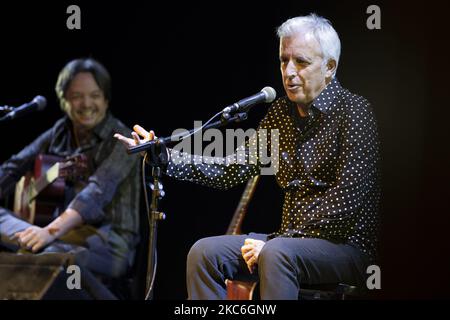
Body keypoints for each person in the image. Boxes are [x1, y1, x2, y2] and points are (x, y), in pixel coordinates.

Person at [115, 13, 380, 300]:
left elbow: (345, 205)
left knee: (277, 254)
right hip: (286, 244)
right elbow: (232, 168)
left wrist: (278, 242)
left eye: (301, 62)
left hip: (345, 248)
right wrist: (165, 156)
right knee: (204, 253)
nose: (289, 71)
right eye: (283, 60)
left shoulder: (356, 113)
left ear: (330, 67)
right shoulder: (280, 113)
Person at [0, 58, 141, 282]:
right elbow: (13, 167)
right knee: (40, 250)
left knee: (44, 257)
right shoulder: (60, 131)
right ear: (64, 100)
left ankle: (41, 246)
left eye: (95, 95)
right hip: (60, 235)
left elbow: (94, 195)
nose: (86, 104)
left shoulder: (121, 141)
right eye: (77, 96)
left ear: (105, 100)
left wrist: (47, 233)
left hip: (107, 245)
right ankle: (38, 244)